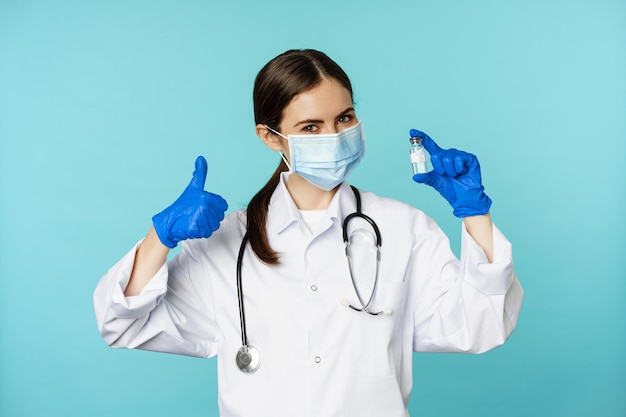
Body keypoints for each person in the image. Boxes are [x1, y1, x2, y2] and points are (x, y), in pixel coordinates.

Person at [94, 49, 523, 417]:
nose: (334, 137)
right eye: (311, 127)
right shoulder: (227, 243)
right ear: (270, 137)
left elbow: (479, 325)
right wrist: (160, 237)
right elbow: (121, 325)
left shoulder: (403, 228)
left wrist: (475, 212)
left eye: (344, 117)